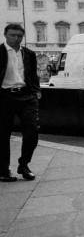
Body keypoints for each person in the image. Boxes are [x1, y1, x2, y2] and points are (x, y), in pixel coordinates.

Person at [1, 23, 40, 182]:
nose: (16, 39)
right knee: (3, 135)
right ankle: (3, 170)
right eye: (13, 35)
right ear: (5, 35)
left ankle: (23, 165)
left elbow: (33, 75)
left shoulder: (29, 54)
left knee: (32, 133)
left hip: (26, 97)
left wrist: (36, 92)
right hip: (4, 97)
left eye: (19, 36)